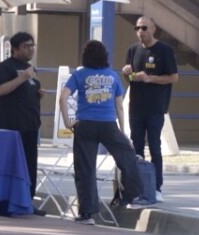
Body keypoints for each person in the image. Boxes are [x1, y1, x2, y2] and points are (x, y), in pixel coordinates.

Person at [60, 40, 150, 224]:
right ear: (104, 56)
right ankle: (133, 196)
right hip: (108, 124)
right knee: (127, 157)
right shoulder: (112, 76)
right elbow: (120, 106)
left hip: (84, 124)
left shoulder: (79, 74)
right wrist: (123, 131)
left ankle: (87, 213)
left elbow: (63, 97)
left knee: (85, 168)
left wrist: (68, 122)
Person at [121, 15, 178, 201]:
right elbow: (129, 78)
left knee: (154, 146)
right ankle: (137, 188)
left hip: (155, 107)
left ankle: (157, 187)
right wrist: (127, 73)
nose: (140, 32)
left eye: (144, 28)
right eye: (137, 28)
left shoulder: (164, 50)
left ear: (153, 29)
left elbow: (173, 77)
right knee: (136, 148)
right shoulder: (133, 49)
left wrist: (150, 78)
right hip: (136, 106)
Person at [0, 32, 46, 216]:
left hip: (30, 125)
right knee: (11, 165)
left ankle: (27, 201)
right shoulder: (5, 67)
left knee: (29, 165)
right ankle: (7, 201)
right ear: (14, 48)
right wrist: (23, 78)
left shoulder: (30, 69)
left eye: (32, 46)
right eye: (26, 46)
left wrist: (38, 93)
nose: (30, 49)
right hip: (11, 126)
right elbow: (0, 90)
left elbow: (26, 92)